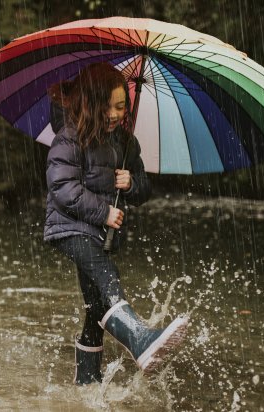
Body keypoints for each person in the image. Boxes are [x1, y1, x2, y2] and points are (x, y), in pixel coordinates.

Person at [44, 62, 188, 385]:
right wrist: (104, 212)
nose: (114, 114)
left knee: (96, 305)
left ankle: (86, 381)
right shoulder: (69, 137)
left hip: (97, 232)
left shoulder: (125, 142)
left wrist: (131, 183)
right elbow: (63, 189)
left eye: (121, 106)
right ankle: (139, 338)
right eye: (107, 106)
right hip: (69, 228)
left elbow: (144, 190)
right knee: (106, 275)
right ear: (92, 103)